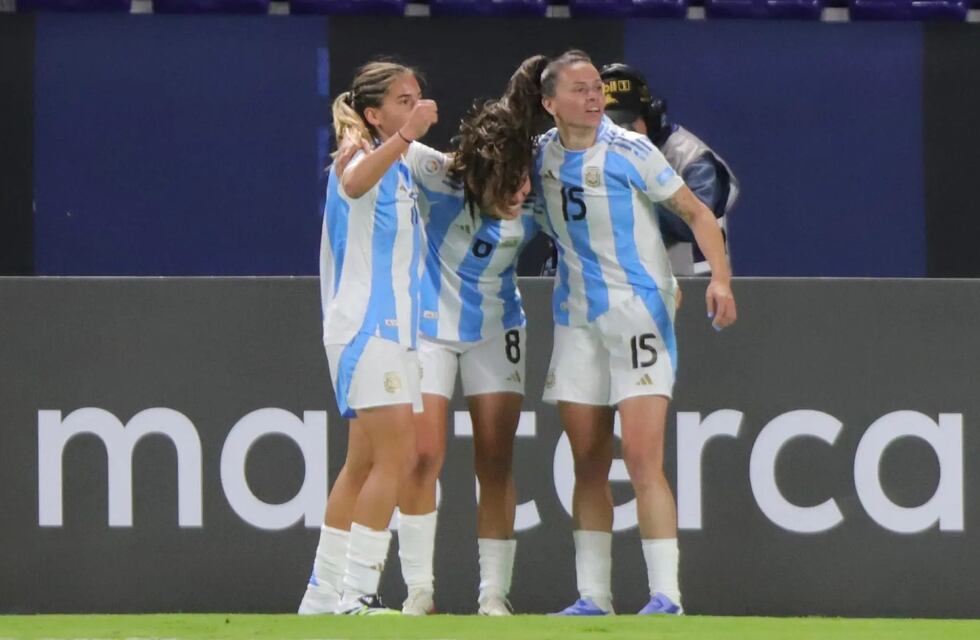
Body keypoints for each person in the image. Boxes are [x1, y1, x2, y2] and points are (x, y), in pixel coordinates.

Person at [532, 50, 737, 616]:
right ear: (550, 103)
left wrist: (719, 280)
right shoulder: (540, 158)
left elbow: (698, 213)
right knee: (587, 463)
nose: (594, 97)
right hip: (575, 321)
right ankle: (593, 596)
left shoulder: (632, 150)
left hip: (638, 314)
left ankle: (666, 595)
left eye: (596, 87)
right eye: (579, 89)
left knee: (644, 457)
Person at [394, 55, 550, 616]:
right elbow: (377, 134)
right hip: (429, 325)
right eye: (507, 187)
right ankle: (419, 592)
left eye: (524, 181)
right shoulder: (434, 173)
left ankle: (493, 597)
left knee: (496, 460)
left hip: (497, 328)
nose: (519, 193)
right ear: (476, 177)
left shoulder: (534, 194)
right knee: (423, 455)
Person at [297, 59, 438, 616]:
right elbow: (354, 183)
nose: (416, 107)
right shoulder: (356, 157)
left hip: (394, 331)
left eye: (417, 98)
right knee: (398, 457)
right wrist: (407, 135)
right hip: (366, 328)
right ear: (375, 114)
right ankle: (357, 594)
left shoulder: (401, 166)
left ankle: (321, 593)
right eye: (403, 101)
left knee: (361, 463)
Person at [600, 63, 740, 276]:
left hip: (693, 285)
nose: (621, 133)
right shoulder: (591, 155)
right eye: (611, 124)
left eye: (629, 123)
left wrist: (627, 198)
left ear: (651, 116)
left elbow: (693, 221)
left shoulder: (691, 157)